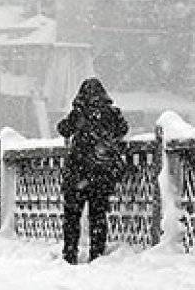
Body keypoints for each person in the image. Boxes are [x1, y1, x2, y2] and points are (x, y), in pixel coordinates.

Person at [56, 77, 129, 264]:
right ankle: (96, 254)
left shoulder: (79, 114)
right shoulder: (112, 113)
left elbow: (63, 129)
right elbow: (123, 129)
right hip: (101, 174)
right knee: (98, 216)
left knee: (72, 216)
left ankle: (70, 253)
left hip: (78, 173)